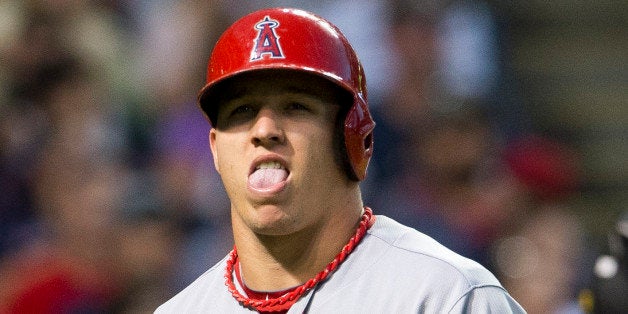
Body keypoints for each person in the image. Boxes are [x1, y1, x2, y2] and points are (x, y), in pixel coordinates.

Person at [156, 7, 525, 313]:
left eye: (296, 107)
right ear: (216, 149)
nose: (264, 129)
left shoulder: (445, 296)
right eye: (242, 111)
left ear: (355, 139)